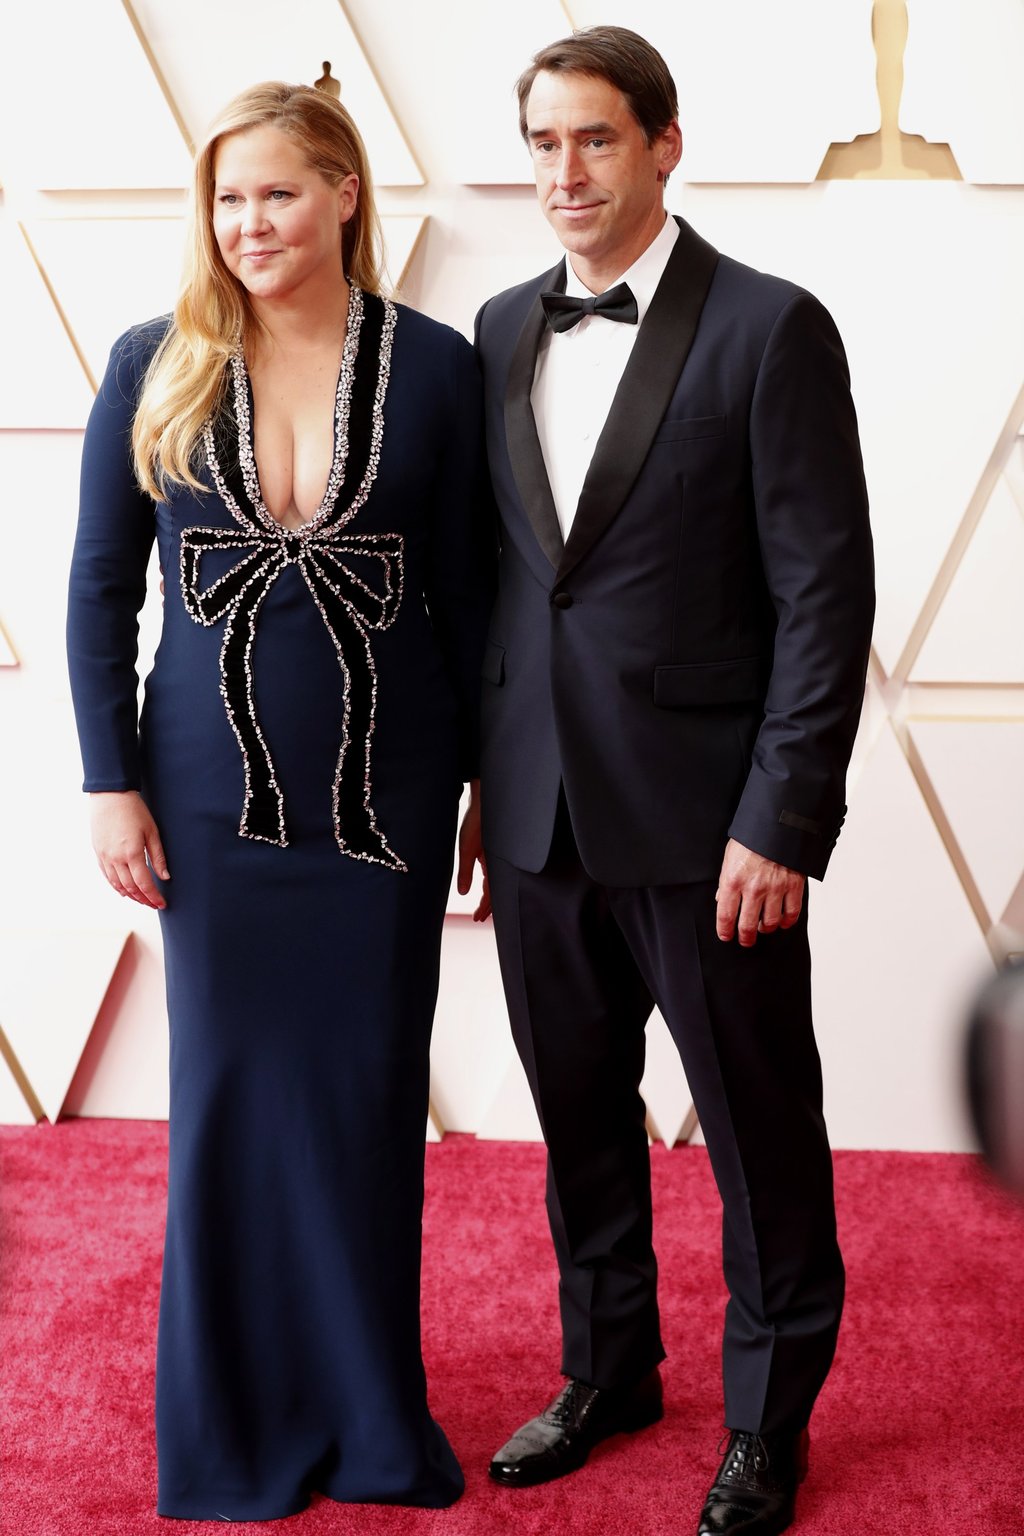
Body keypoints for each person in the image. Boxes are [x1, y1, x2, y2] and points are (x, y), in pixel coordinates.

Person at [466, 26, 875, 1536]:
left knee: (759, 1130)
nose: (565, 173)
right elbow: (503, 589)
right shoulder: (500, 325)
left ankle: (771, 1419)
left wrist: (784, 816)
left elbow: (826, 595)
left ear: (663, 146)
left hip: (713, 829)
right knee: (578, 1115)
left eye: (594, 141)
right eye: (544, 145)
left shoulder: (772, 329)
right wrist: (470, 785)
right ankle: (610, 1369)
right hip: (534, 811)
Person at [66, 81, 493, 1520]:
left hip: (391, 798)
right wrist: (107, 782)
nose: (249, 224)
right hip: (203, 799)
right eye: (228, 199)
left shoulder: (437, 368)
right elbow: (96, 591)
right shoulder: (154, 360)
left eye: (278, 194)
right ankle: (235, 1420)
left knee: (369, 1099)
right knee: (231, 1098)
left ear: (345, 194)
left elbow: (471, 599)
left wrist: (490, 780)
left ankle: (371, 1416)